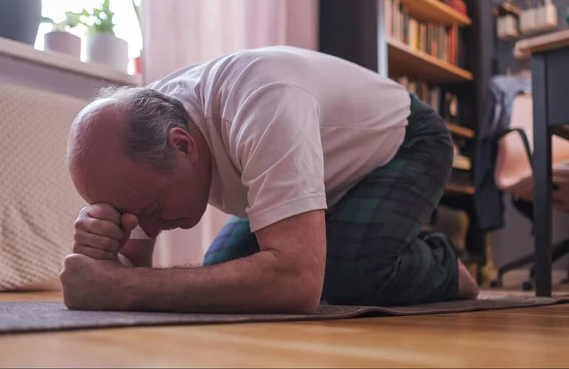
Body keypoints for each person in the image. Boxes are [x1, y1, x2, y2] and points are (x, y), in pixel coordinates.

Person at [61, 45, 479, 313]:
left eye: (150, 210)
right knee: (222, 273)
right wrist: (104, 251)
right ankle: (341, 230)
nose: (146, 227)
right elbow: (134, 267)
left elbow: (299, 285)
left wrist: (123, 287)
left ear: (183, 144)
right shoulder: (146, 122)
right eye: (127, 213)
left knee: (350, 276)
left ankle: (444, 265)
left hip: (406, 141)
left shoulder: (262, 101)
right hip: (314, 170)